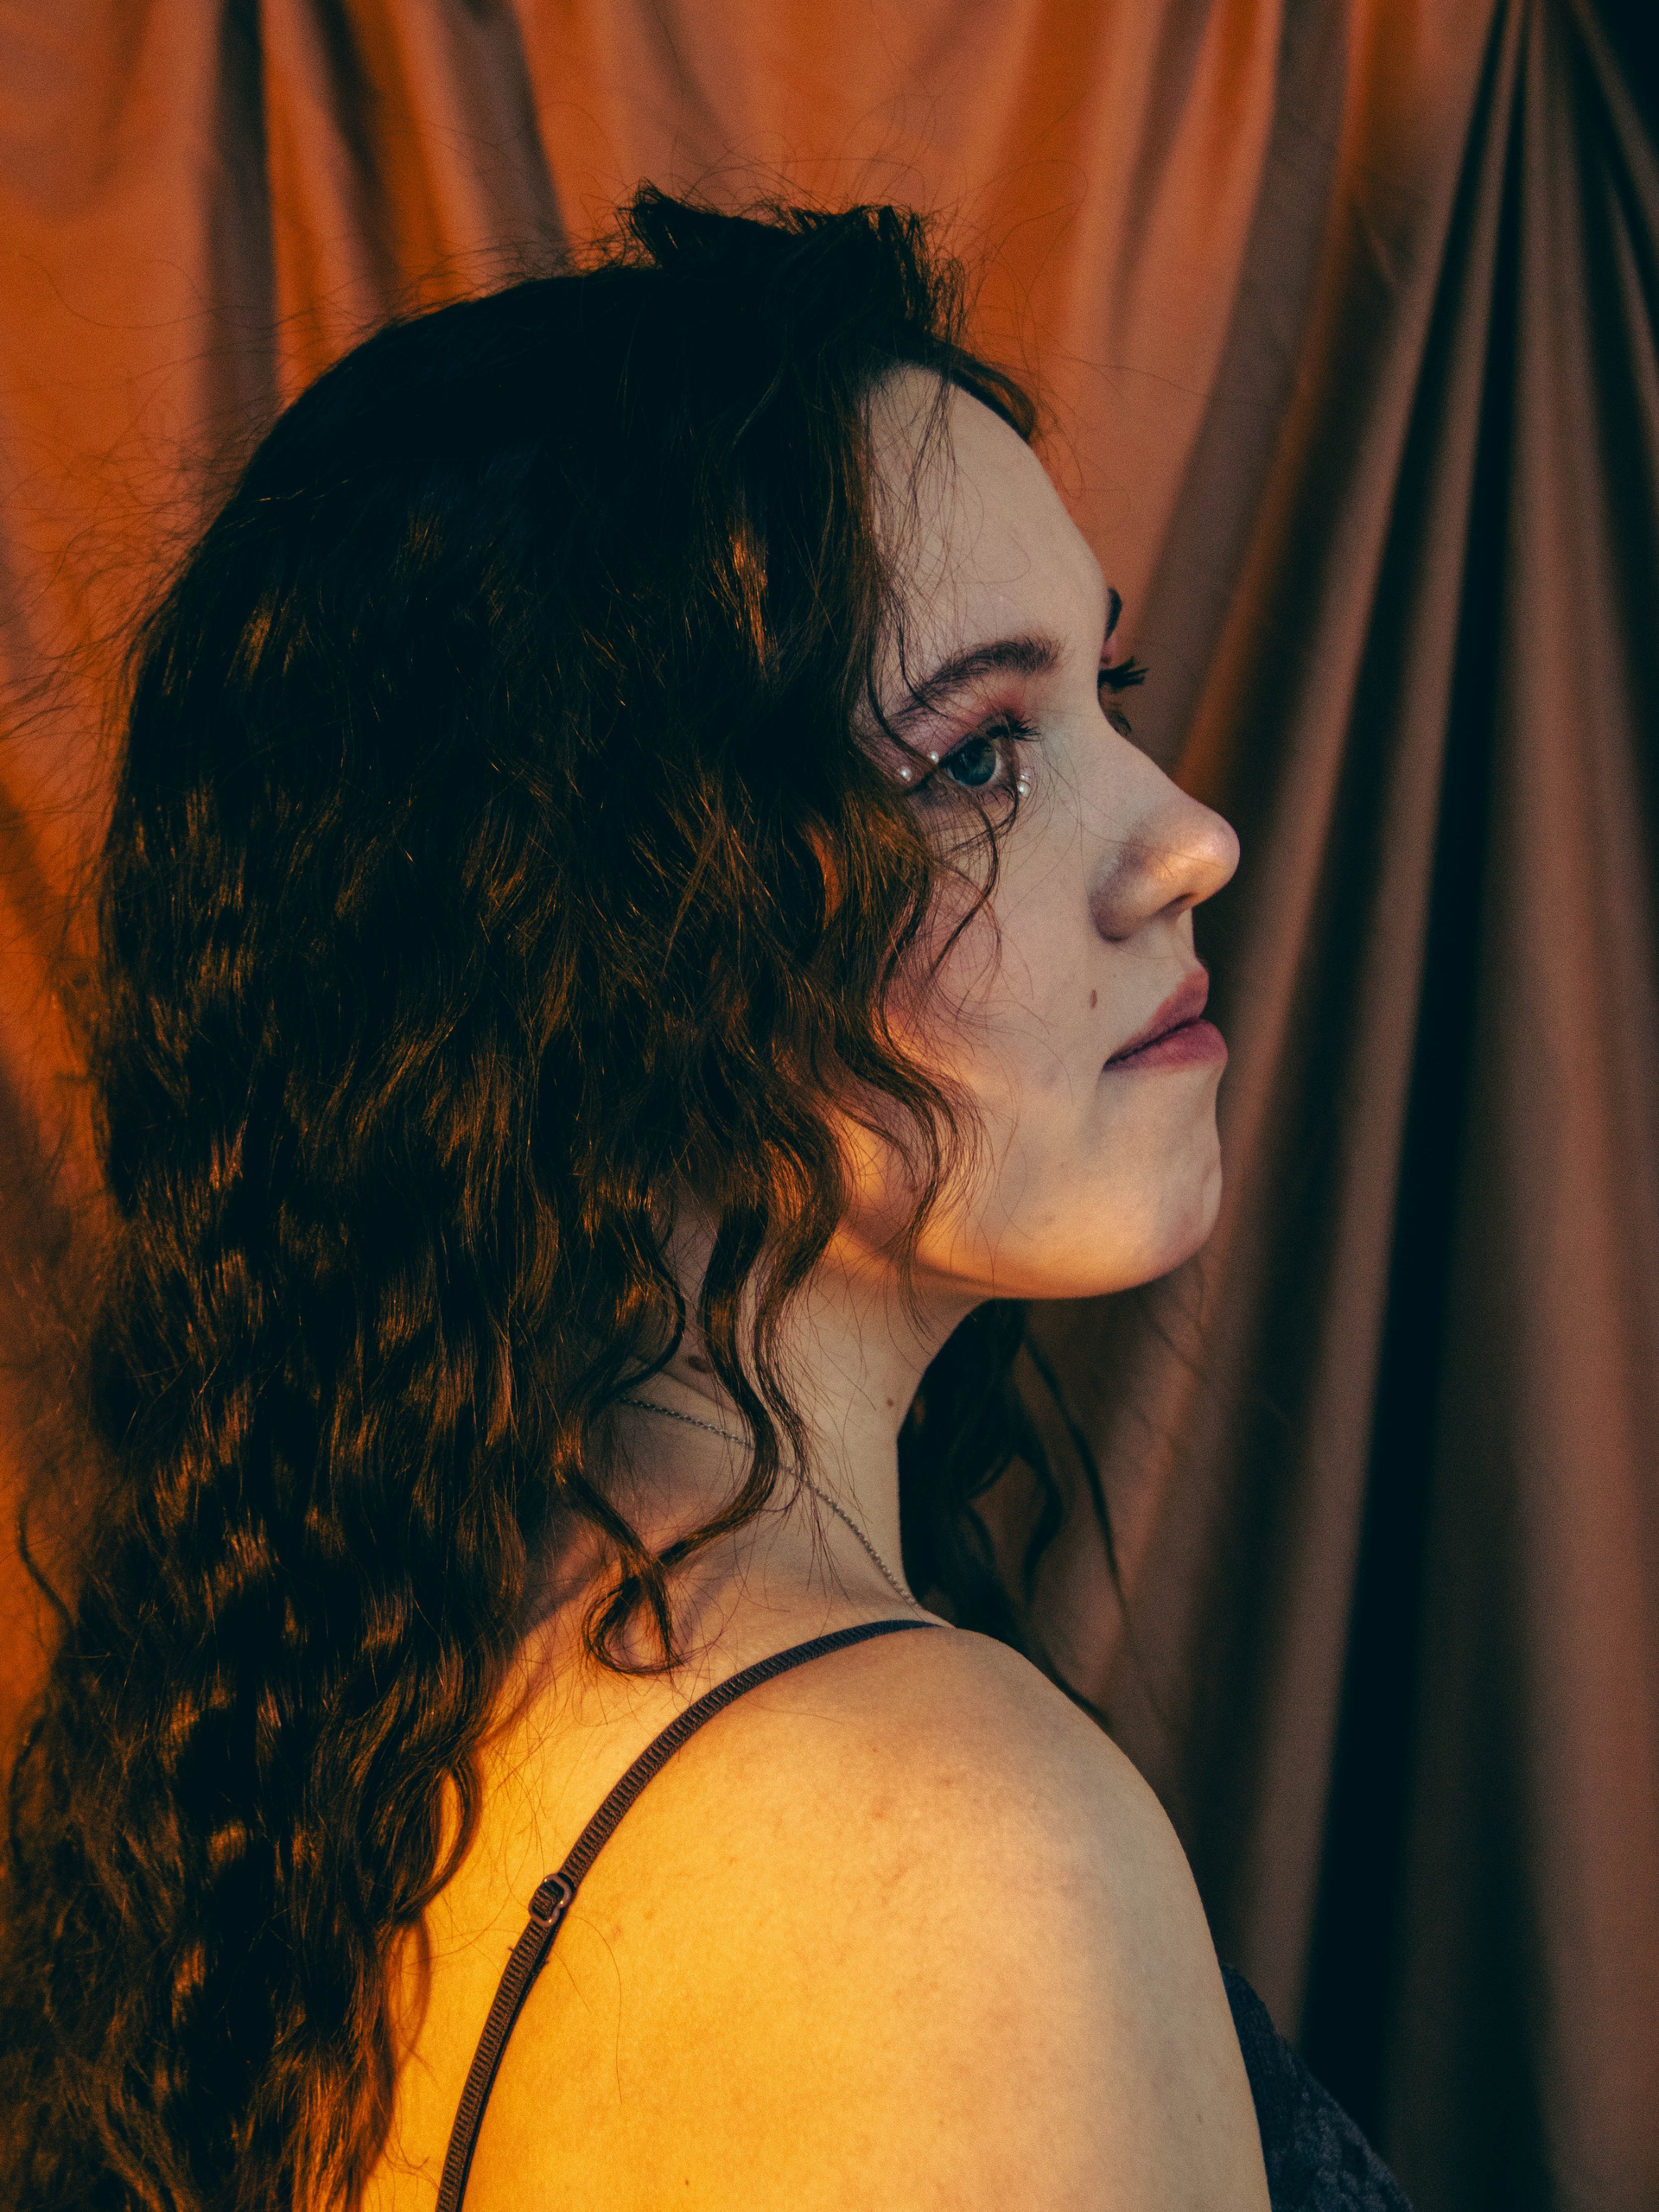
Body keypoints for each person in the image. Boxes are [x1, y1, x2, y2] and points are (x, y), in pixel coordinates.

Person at [0, 189, 1411, 2210]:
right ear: (598, 936)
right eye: (978, 756)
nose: (1190, 837)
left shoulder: (355, 1758)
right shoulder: (949, 1853)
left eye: (1112, 690)